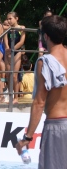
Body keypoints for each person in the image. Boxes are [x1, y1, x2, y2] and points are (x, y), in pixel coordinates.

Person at [15, 15, 67, 169]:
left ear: (46, 36)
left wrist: (27, 137)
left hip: (56, 126)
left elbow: (39, 103)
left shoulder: (44, 62)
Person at [4, 11, 26, 104]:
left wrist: (13, 49)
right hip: (9, 52)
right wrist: (8, 49)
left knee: (14, 76)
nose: (9, 21)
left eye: (10, 19)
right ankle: (10, 95)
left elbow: (21, 42)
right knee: (8, 75)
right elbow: (5, 40)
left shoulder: (21, 28)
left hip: (16, 52)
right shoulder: (7, 29)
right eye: (7, 19)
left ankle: (16, 97)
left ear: (16, 18)